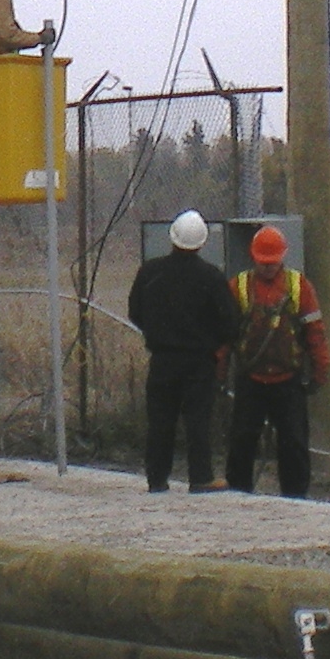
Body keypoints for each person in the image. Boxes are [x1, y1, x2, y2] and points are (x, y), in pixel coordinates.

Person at [126, 209, 239, 494]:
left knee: (160, 421)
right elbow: (230, 321)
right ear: (201, 243)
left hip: (162, 359)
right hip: (199, 362)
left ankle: (157, 479)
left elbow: (135, 311)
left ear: (172, 237)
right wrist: (217, 348)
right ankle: (201, 478)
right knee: (198, 420)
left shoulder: (150, 272)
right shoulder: (211, 277)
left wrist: (158, 333)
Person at [224, 225, 329, 500]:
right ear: (253, 257)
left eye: (272, 263)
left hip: (288, 381)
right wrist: (219, 373)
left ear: (282, 257)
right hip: (251, 380)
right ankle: (237, 497)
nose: (268, 268)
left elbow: (315, 333)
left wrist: (319, 371)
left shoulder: (299, 286)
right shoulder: (239, 287)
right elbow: (224, 337)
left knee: (293, 444)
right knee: (241, 442)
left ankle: (295, 500)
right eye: (263, 262)